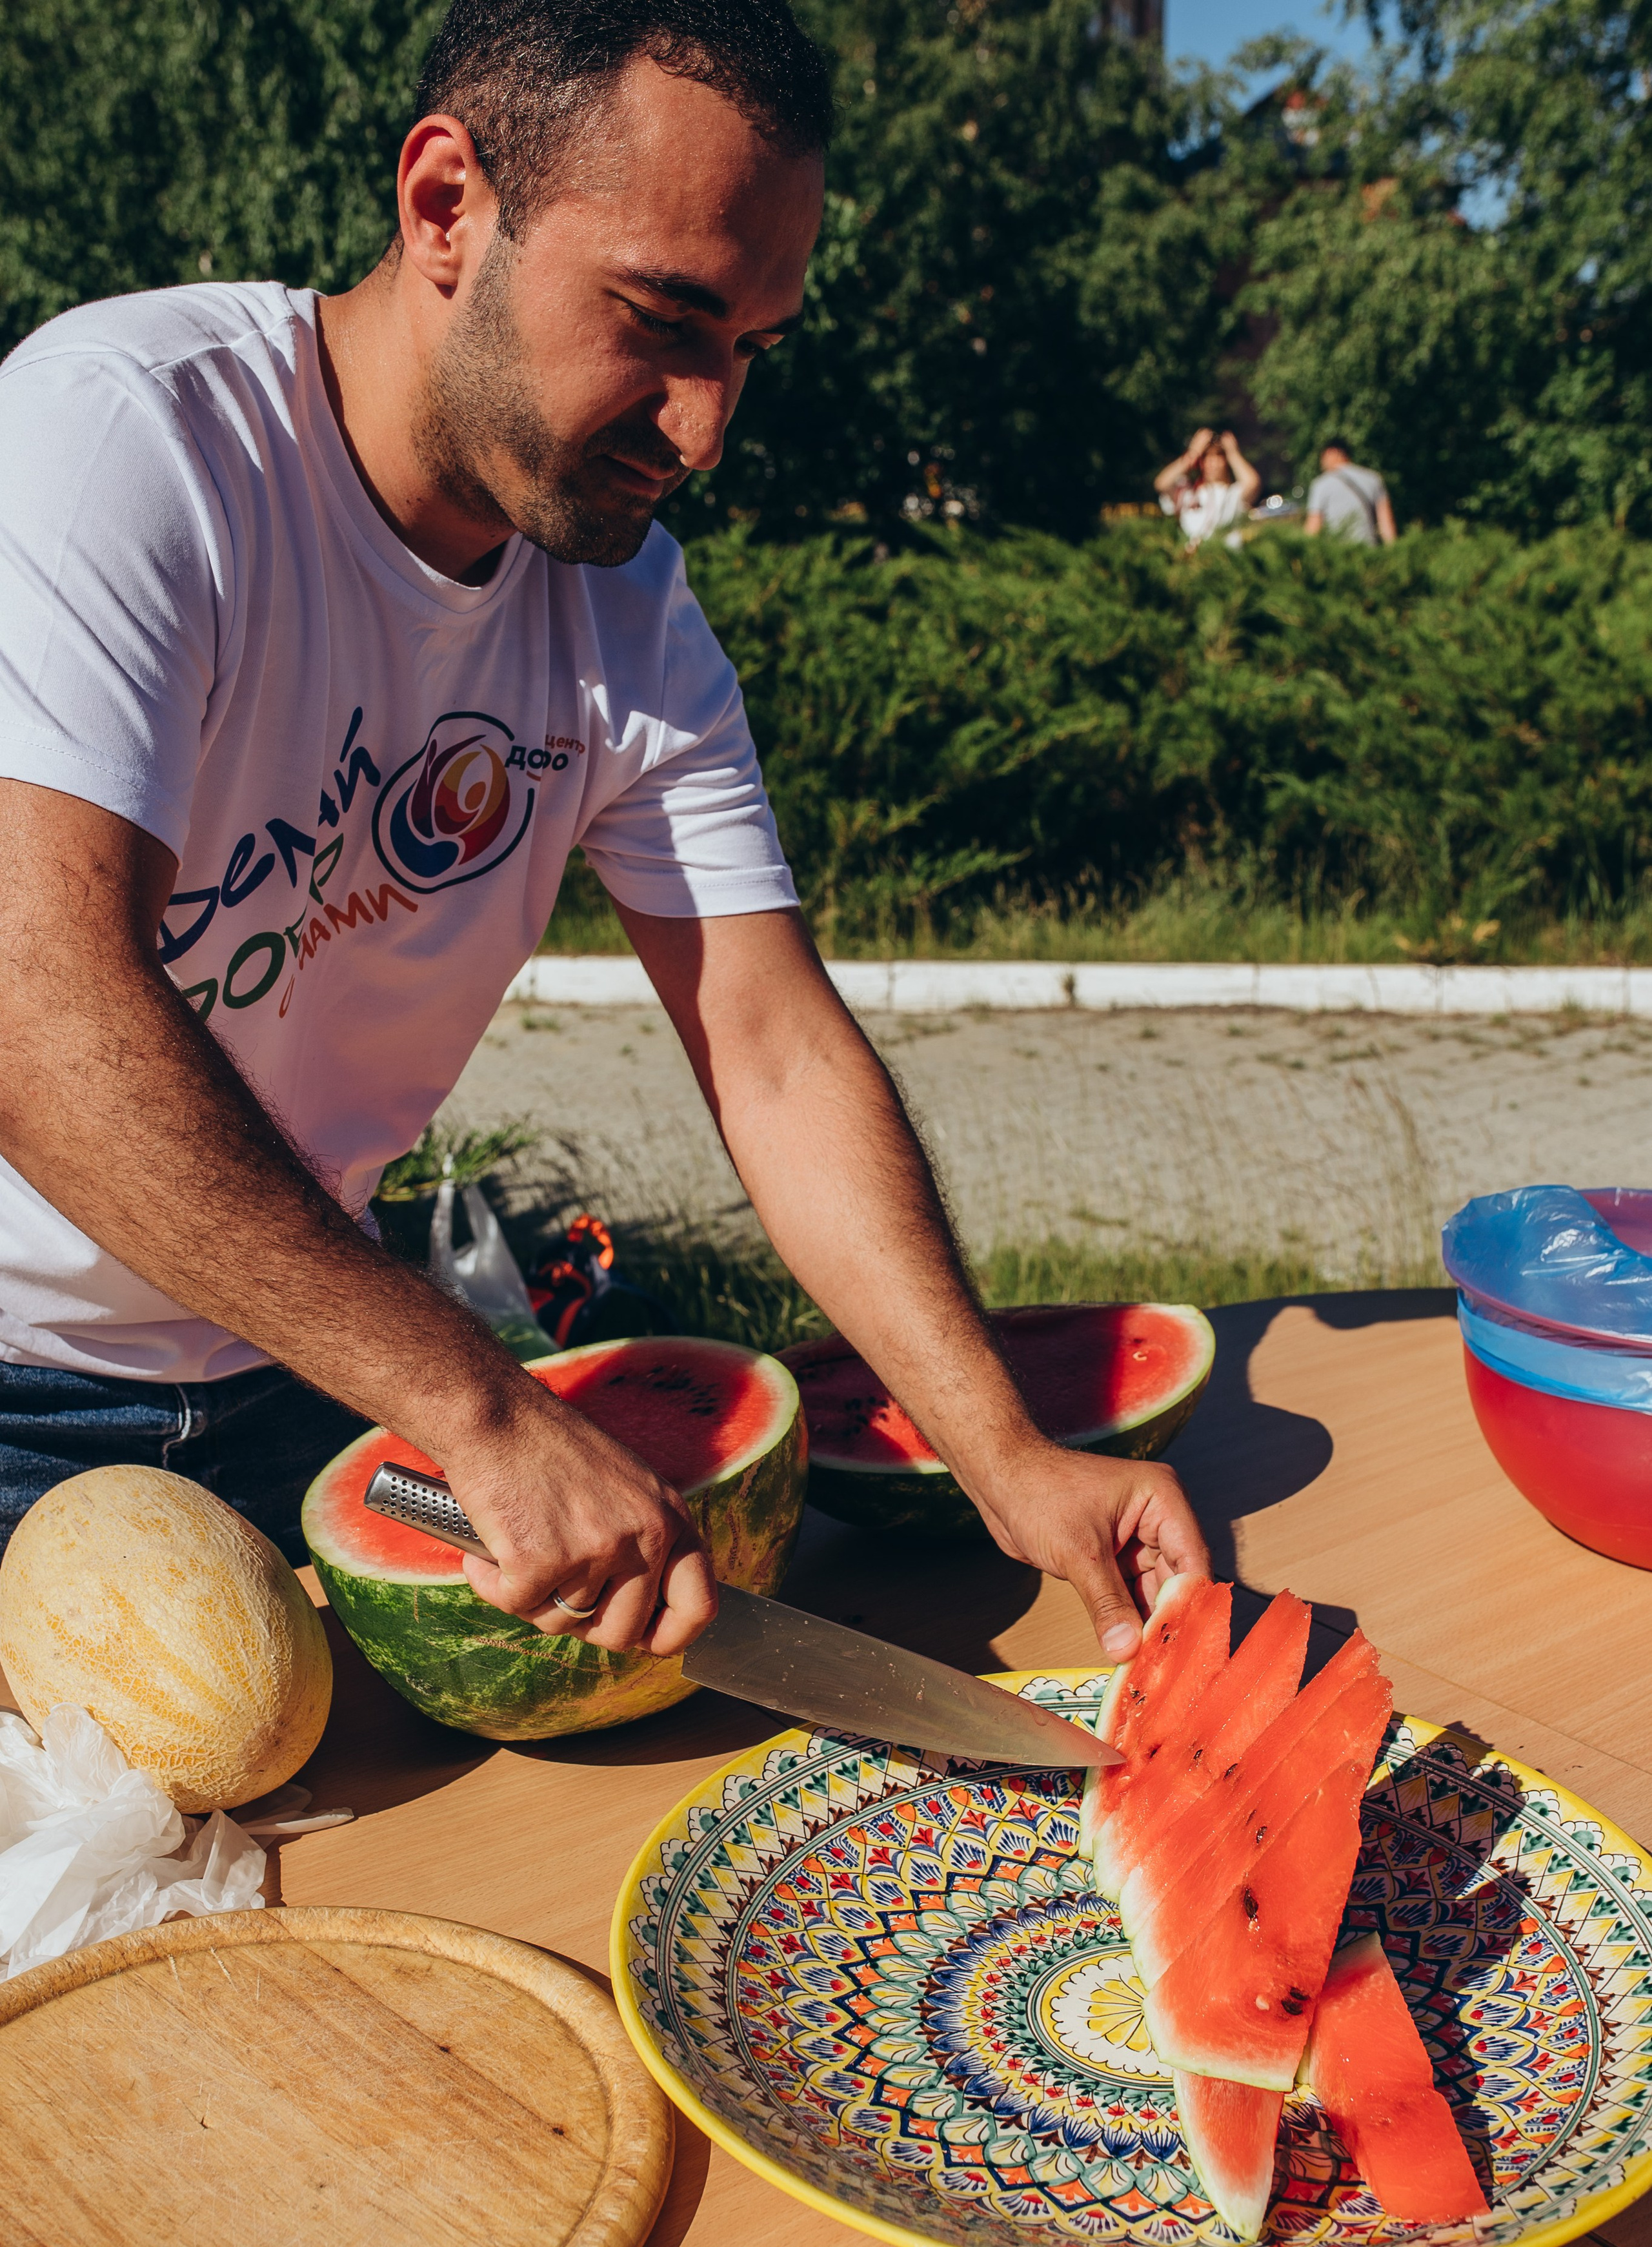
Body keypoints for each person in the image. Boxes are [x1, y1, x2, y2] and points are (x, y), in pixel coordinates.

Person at [0, 0, 1208, 1674]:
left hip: (314, 1375)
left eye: (754, 350)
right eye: (664, 319)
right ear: (446, 207)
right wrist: (480, 1408)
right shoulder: (128, 444)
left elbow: (773, 1050)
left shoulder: (626, 611)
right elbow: (35, 1008)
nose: (707, 428)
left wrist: (1005, 1457)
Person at [1154, 428, 1260, 549]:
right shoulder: (1188, 493)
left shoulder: (1233, 494)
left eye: (1218, 456)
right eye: (1206, 456)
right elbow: (1161, 484)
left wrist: (1233, 453)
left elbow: (1253, 483)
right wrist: (1193, 453)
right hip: (1193, 561)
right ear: (1201, 462)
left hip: (1225, 559)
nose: (1213, 462)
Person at [1304, 442, 1396, 545]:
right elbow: (1386, 523)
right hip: (1369, 551)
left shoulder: (1321, 484)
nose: (1322, 464)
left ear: (1333, 452)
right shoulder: (1373, 479)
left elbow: (1313, 527)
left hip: (1339, 553)